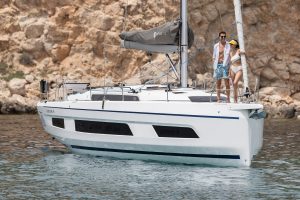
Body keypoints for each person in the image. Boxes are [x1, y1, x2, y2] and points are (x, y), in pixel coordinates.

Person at [213, 31, 231, 102]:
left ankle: (228, 98)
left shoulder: (228, 45)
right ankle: (218, 99)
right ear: (219, 37)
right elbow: (214, 56)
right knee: (218, 83)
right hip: (218, 65)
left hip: (225, 65)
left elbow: (232, 52)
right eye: (222, 36)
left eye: (224, 36)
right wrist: (214, 66)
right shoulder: (216, 46)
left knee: (227, 83)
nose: (223, 38)